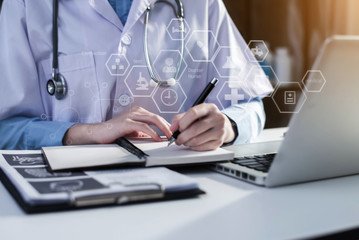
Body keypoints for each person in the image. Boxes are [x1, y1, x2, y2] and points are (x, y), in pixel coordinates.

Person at [0, 0, 273, 151]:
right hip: (71, 194)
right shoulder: (27, 4)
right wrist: (85, 133)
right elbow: (5, 129)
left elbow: (251, 104)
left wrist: (228, 126)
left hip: (184, 189)